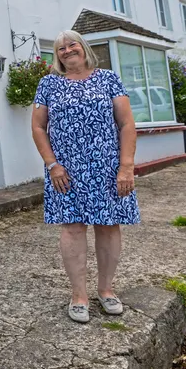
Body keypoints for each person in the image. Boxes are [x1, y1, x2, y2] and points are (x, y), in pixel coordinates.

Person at [31, 30, 140, 324]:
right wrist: (52, 164)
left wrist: (126, 166)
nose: (67, 50)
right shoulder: (49, 84)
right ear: (57, 55)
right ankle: (78, 295)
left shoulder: (108, 79)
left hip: (107, 167)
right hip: (65, 170)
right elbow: (39, 127)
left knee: (107, 225)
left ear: (83, 47)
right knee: (72, 228)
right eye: (60, 48)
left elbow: (127, 123)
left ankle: (106, 290)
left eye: (72, 44)